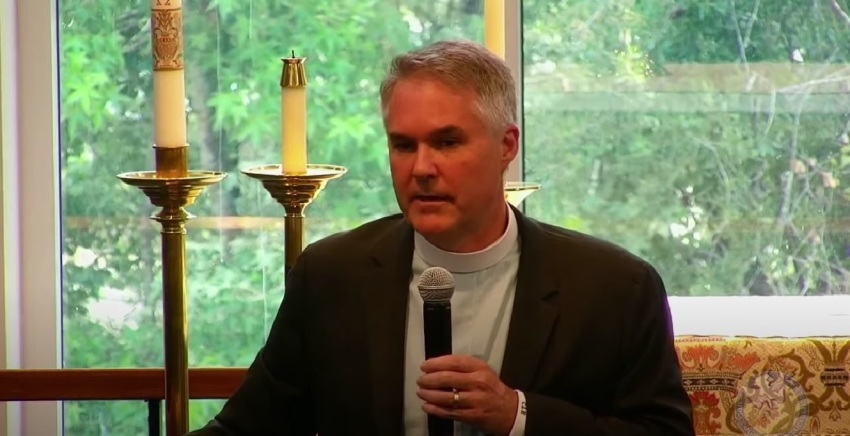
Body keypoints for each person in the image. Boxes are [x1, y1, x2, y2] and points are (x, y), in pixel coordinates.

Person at [187, 39, 695, 436]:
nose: (422, 168)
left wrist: (517, 416)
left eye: (447, 142)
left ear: (506, 146)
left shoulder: (614, 288)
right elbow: (251, 429)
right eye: (403, 145)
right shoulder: (331, 276)